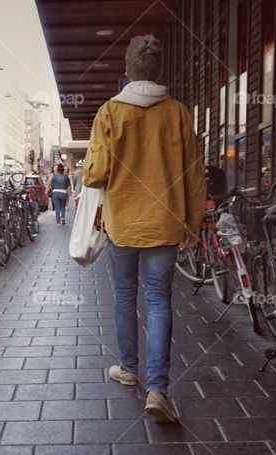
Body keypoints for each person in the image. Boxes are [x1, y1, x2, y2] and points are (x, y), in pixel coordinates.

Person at [84, 34, 206, 424]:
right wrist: (193, 222)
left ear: (127, 72)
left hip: (123, 223)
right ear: (160, 72)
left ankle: (128, 367)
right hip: (166, 221)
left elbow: (95, 173)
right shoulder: (178, 113)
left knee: (124, 295)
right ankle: (158, 390)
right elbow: (194, 174)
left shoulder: (109, 112)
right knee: (158, 301)